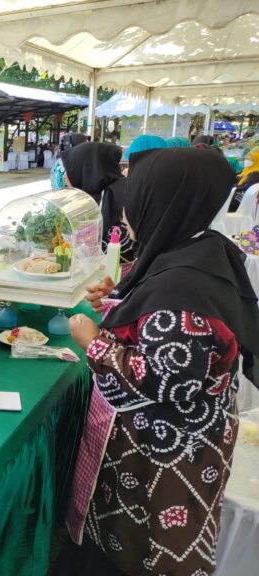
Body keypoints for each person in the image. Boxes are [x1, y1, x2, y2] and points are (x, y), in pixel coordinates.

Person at [63, 148, 259, 576]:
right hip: (189, 447)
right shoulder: (202, 249)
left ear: (166, 202)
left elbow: (156, 382)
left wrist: (93, 340)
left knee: (153, 553)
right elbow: (155, 310)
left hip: (169, 462)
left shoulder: (182, 296)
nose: (128, 213)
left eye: (139, 199)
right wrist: (123, 299)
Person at [60, 142, 137, 268]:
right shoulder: (94, 195)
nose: (65, 177)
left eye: (69, 168)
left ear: (87, 168)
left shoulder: (118, 196)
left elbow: (125, 252)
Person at [229, 146, 259, 212]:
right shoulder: (247, 170)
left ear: (256, 161)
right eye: (246, 159)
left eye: (250, 160)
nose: (247, 161)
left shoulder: (255, 173)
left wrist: (232, 187)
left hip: (241, 203)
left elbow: (245, 188)